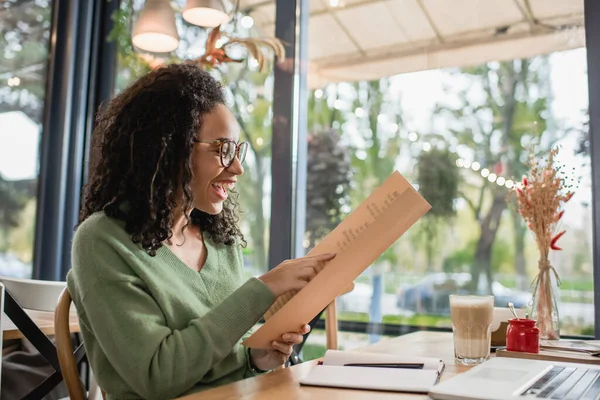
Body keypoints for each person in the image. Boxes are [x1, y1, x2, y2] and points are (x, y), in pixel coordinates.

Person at [67, 63, 335, 400]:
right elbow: (158, 375)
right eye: (223, 149)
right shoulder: (102, 242)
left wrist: (253, 357)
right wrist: (262, 290)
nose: (237, 168)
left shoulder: (220, 242)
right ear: (167, 149)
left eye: (238, 151)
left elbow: (214, 354)